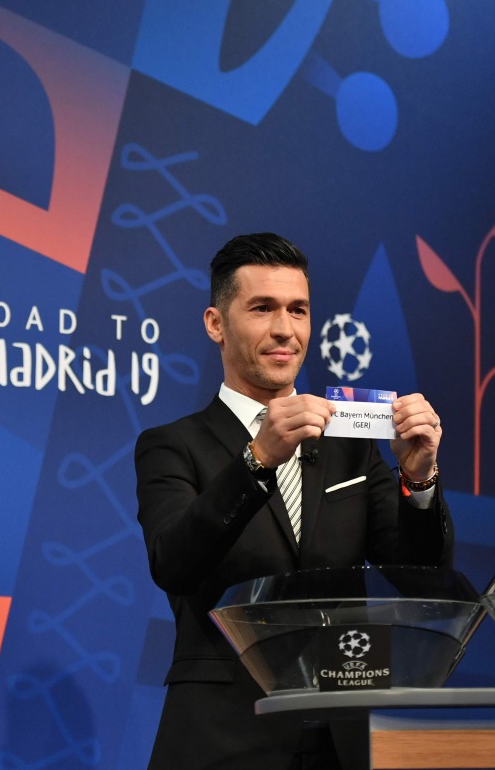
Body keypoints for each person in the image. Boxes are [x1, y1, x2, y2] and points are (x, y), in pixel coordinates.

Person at [135, 232, 453, 769]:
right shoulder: (173, 445)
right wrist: (257, 459)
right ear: (216, 323)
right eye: (262, 308)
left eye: (298, 310)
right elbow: (175, 563)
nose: (284, 329)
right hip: (225, 736)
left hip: (344, 738)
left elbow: (421, 579)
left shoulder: (351, 447)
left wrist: (419, 479)